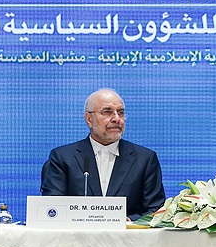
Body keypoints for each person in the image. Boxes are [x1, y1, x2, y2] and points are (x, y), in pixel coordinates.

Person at [41, 88, 165, 220]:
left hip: (126, 232)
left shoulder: (145, 159)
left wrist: (129, 222)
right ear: (89, 119)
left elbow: (155, 210)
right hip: (78, 233)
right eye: (107, 112)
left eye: (121, 113)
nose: (116, 119)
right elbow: (53, 208)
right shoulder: (63, 157)